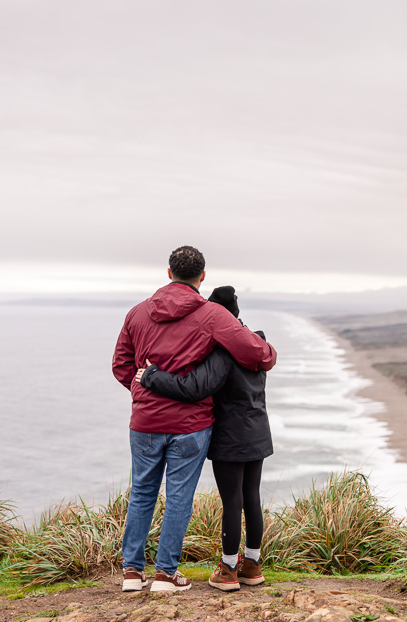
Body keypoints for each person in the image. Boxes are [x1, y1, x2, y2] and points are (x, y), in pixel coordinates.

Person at [112, 246, 277, 593]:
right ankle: (166, 574)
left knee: (142, 492)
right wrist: (269, 350)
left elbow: (122, 366)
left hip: (144, 421)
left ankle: (131, 571)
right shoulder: (212, 315)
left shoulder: (136, 313)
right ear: (202, 277)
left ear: (168, 272)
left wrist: (145, 389)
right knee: (178, 498)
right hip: (190, 424)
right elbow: (255, 353)